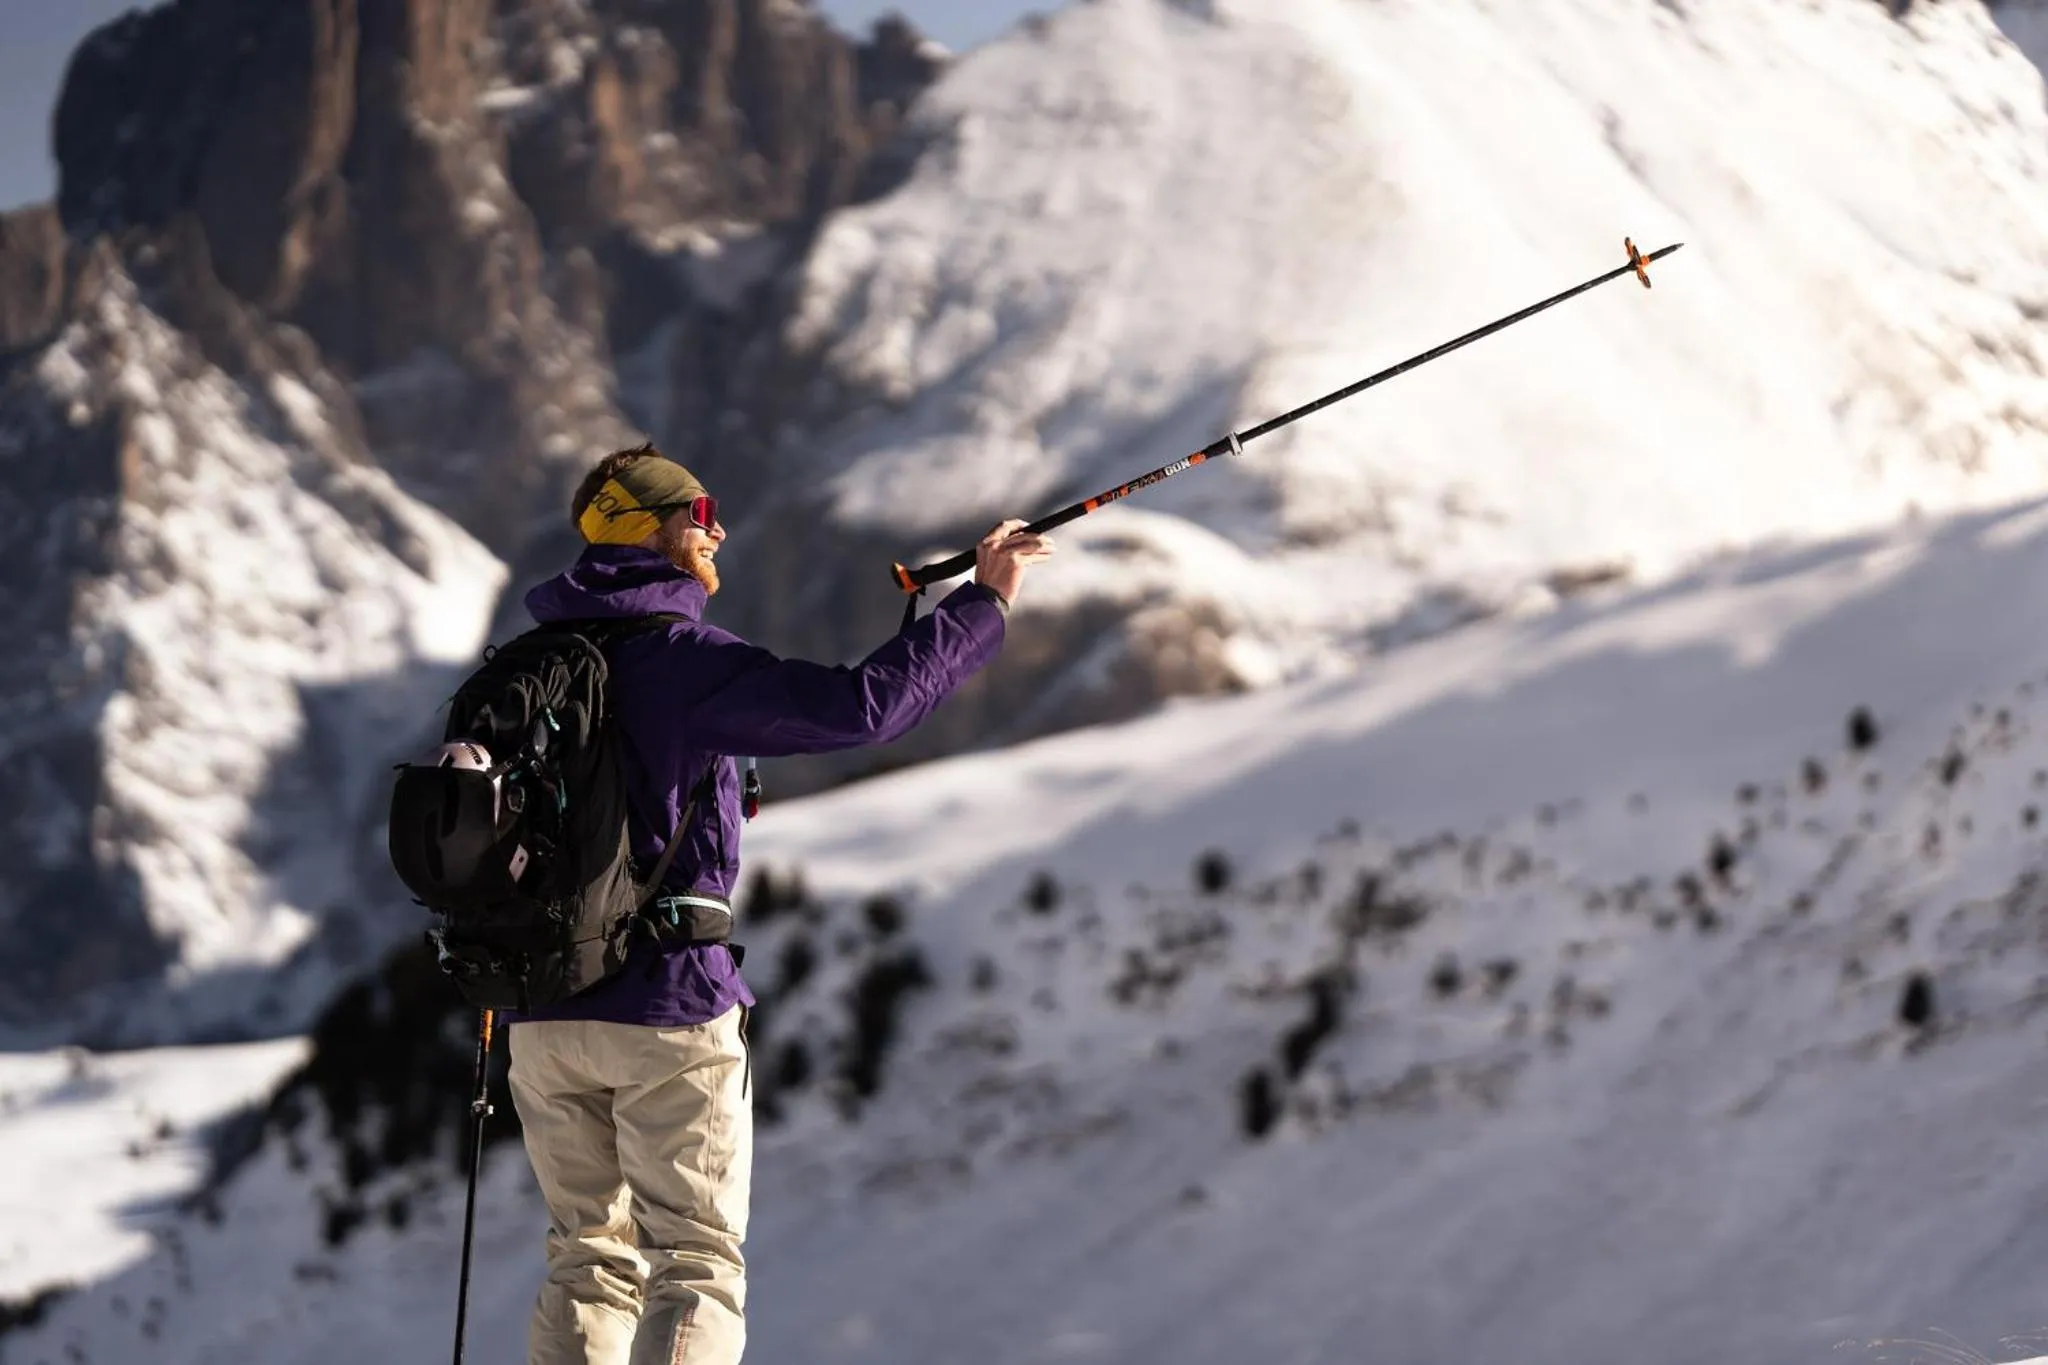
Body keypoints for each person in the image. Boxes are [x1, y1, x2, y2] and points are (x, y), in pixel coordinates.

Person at [503, 443, 1053, 1365]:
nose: (717, 527)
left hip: (538, 1012)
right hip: (665, 1003)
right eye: (699, 508)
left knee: (588, 1259)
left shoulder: (530, 664)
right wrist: (982, 603)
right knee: (695, 1262)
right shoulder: (677, 658)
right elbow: (861, 708)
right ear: (657, 529)